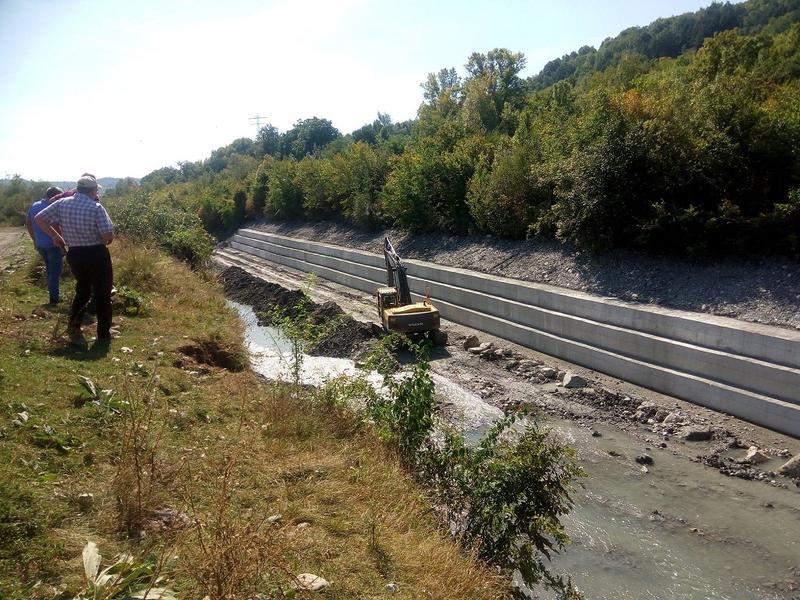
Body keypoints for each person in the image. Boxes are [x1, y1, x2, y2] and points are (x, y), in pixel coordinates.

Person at [35, 174, 115, 344]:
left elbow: (39, 218)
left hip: (75, 254)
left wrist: (56, 237)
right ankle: (103, 334)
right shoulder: (96, 207)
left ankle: (74, 326)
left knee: (83, 290)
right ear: (93, 191)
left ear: (78, 189)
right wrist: (107, 238)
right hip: (96, 253)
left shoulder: (62, 203)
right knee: (102, 293)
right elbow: (107, 235)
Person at [26, 186, 65, 304]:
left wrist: (34, 239)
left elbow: (28, 223)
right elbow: (57, 227)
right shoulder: (53, 207)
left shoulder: (35, 205)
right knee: (55, 271)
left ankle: (53, 292)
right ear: (55, 196)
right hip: (53, 244)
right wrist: (63, 246)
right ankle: (54, 298)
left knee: (49, 269)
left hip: (40, 244)